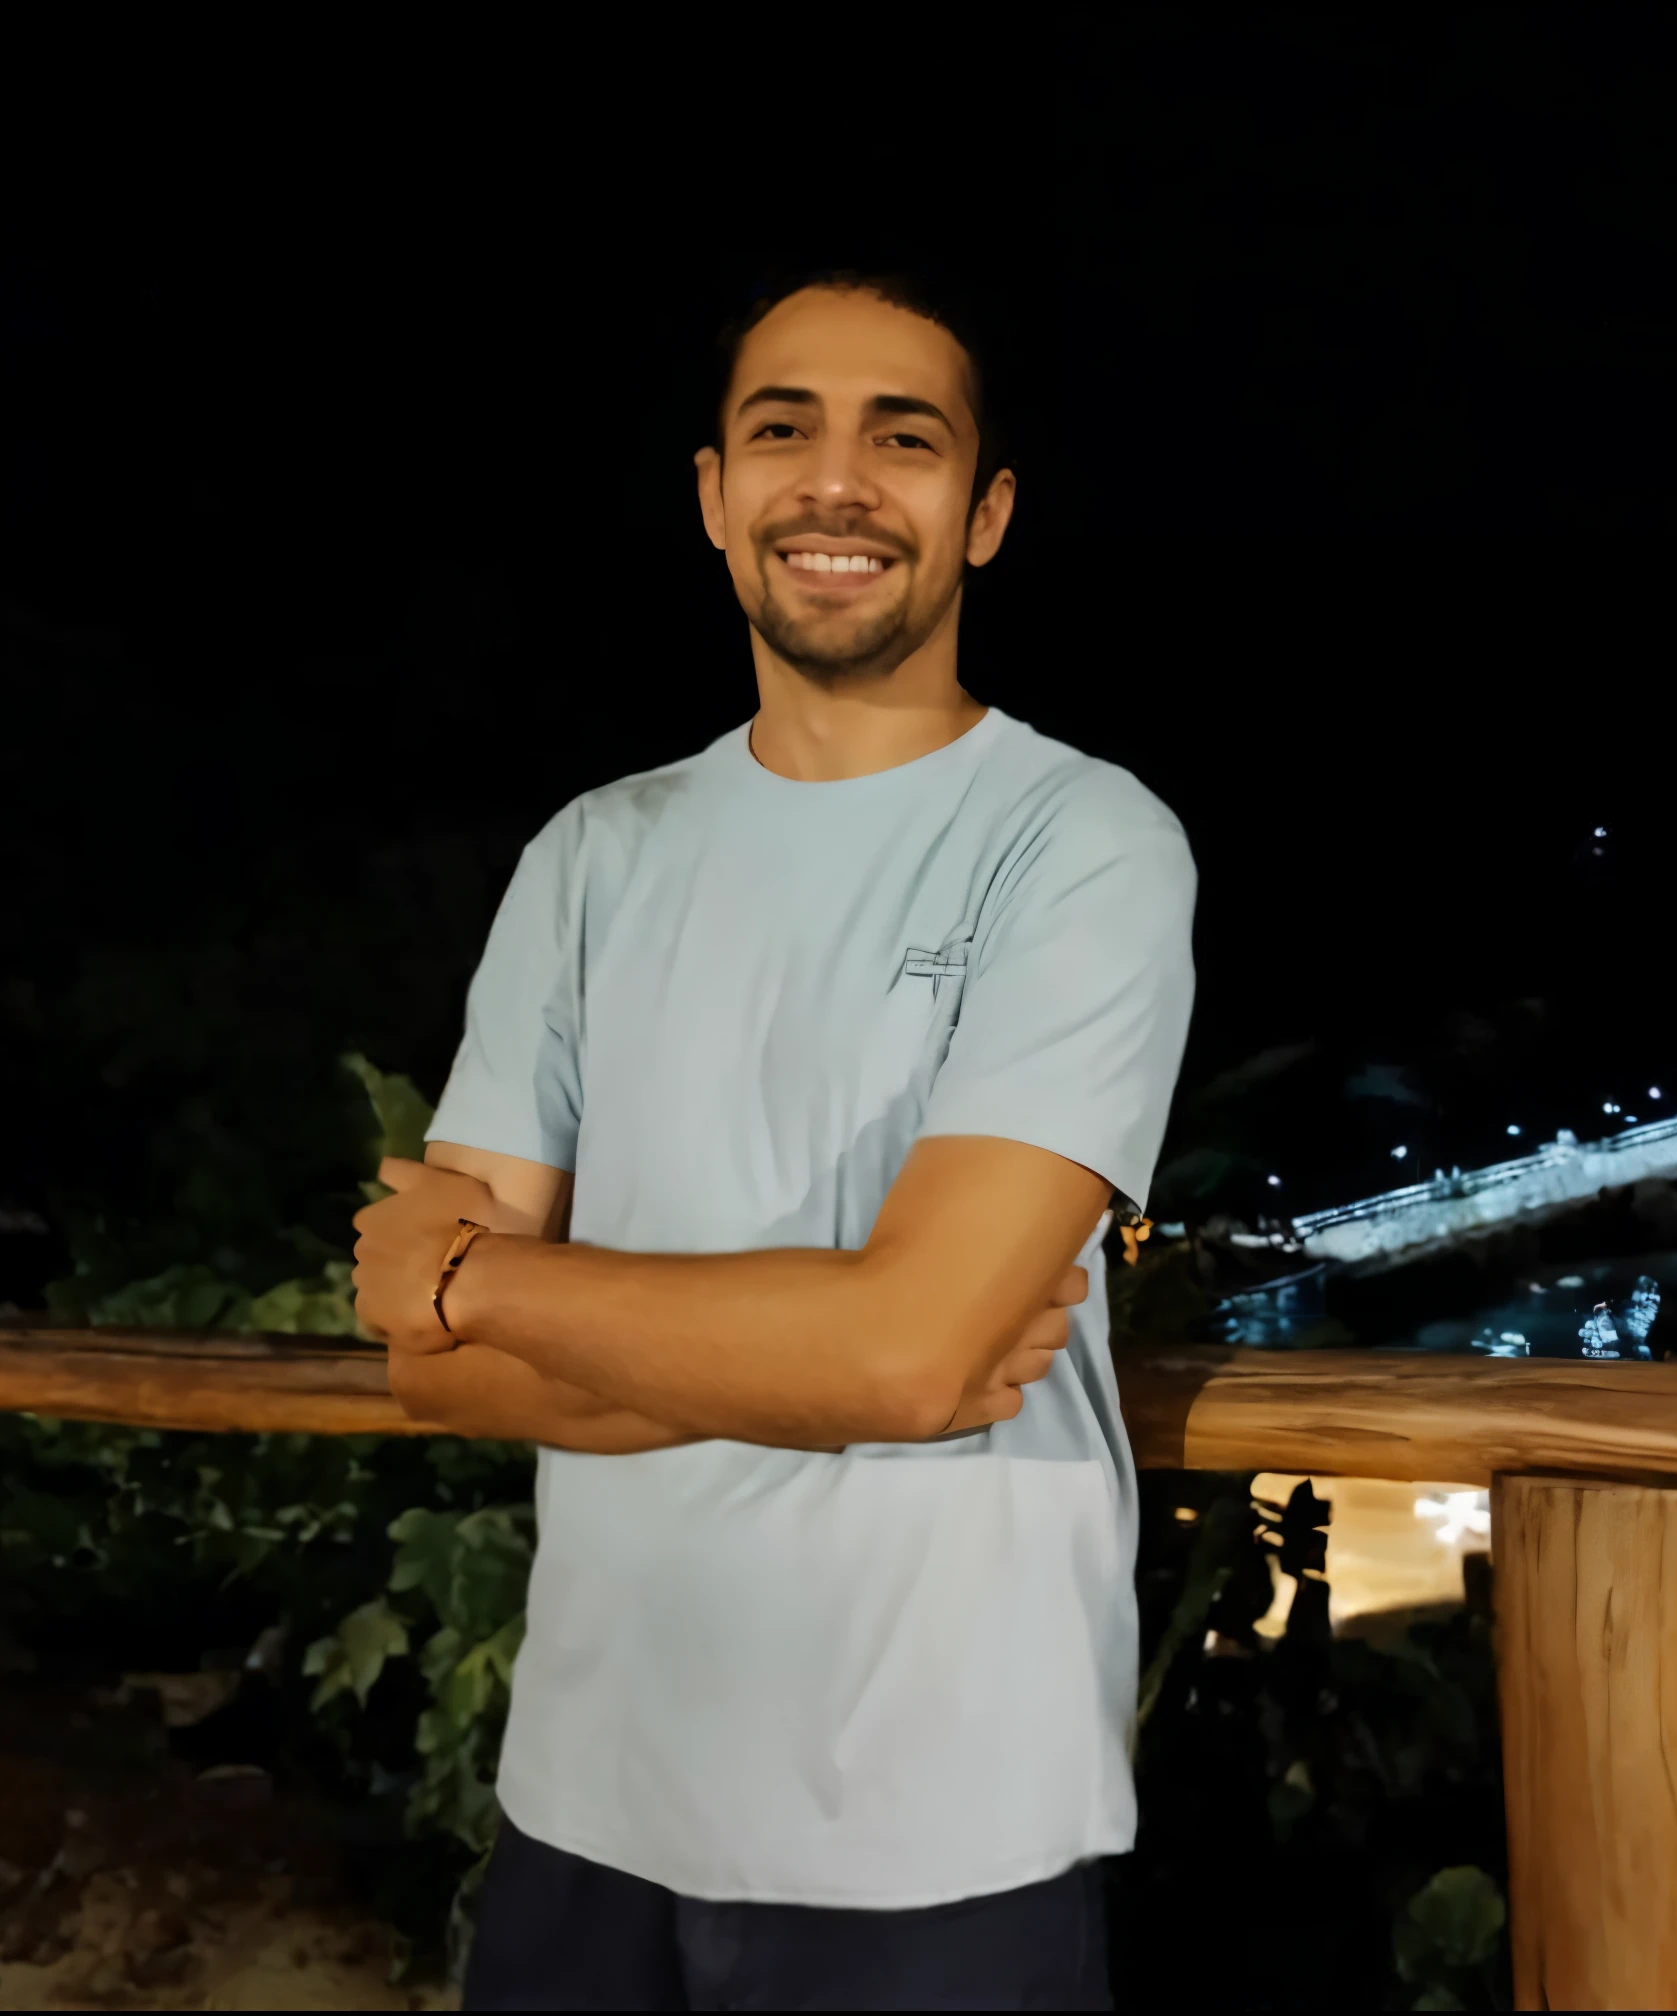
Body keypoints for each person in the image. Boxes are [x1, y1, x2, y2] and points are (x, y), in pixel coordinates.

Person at [349, 267, 1197, 2011]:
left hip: (942, 1826)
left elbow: (903, 1353)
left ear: (986, 514)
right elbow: (430, 1369)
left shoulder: (1081, 842)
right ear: (715, 496)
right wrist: (850, 1354)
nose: (837, 483)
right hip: (587, 1801)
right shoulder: (595, 855)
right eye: (783, 430)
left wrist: (489, 1282)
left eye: (905, 439)